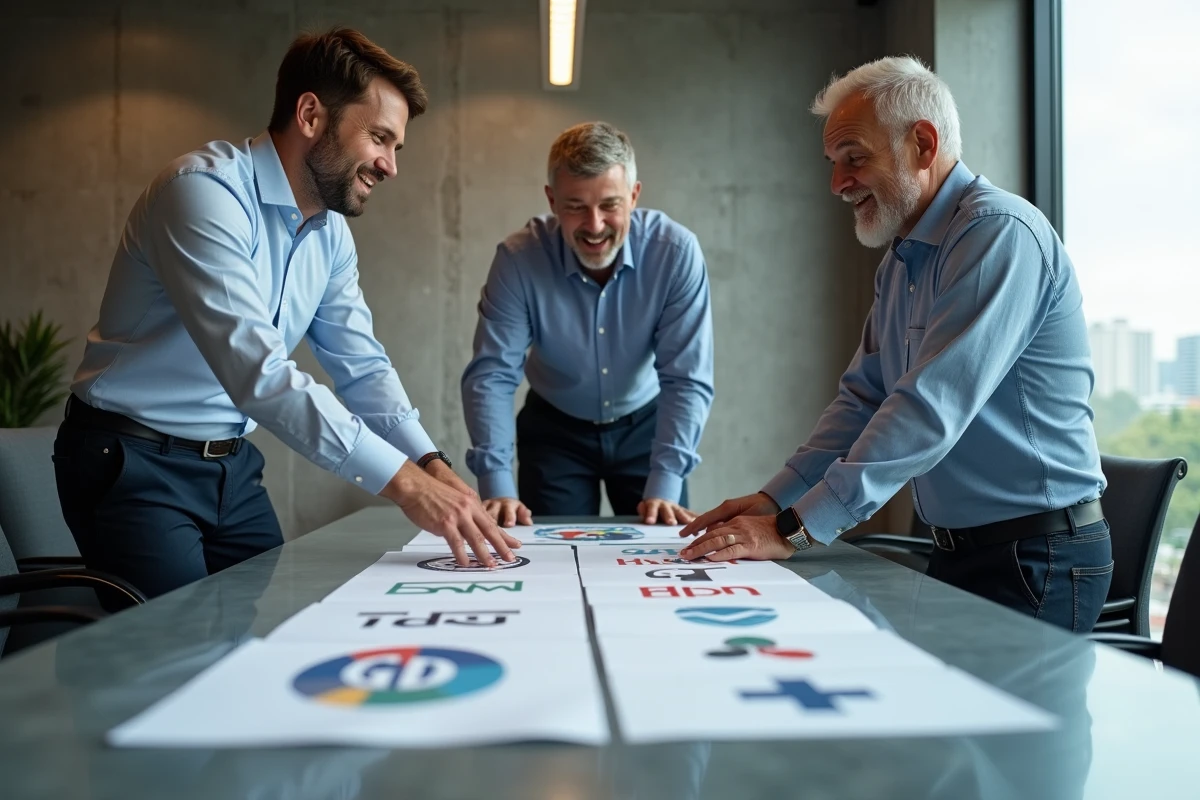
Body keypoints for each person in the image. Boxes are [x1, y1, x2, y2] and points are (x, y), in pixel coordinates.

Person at [53, 27, 519, 602]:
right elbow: (261, 375)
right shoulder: (202, 192)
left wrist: (430, 463)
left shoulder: (331, 234)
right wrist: (405, 485)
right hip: (132, 461)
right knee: (181, 646)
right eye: (379, 137)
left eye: (396, 147)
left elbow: (362, 366)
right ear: (310, 115)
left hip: (231, 466)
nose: (390, 165)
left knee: (278, 628)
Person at [680, 56, 1113, 633]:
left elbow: (929, 406)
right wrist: (774, 501)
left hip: (1038, 558)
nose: (838, 184)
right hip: (962, 550)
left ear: (923, 144)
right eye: (834, 164)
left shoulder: (998, 233)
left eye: (854, 158)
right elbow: (863, 400)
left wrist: (794, 530)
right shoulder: (902, 261)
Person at [461, 122, 715, 527]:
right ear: (552, 200)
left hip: (648, 430)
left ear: (634, 196)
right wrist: (497, 486)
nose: (595, 225)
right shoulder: (518, 259)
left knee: (659, 549)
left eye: (610, 205)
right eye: (576, 206)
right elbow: (492, 375)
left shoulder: (676, 253)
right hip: (555, 433)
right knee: (549, 556)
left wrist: (667, 480)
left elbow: (686, 377)